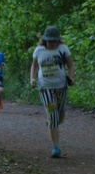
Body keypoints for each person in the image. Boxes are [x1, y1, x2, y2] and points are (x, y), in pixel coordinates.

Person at [30, 26, 75, 158]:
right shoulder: (38, 50)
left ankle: (52, 122)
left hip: (61, 86)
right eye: (50, 41)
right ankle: (56, 147)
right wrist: (32, 78)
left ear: (58, 40)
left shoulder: (63, 49)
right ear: (44, 40)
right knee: (53, 116)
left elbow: (71, 65)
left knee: (59, 116)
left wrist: (71, 77)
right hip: (45, 87)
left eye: (55, 41)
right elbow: (34, 65)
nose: (52, 43)